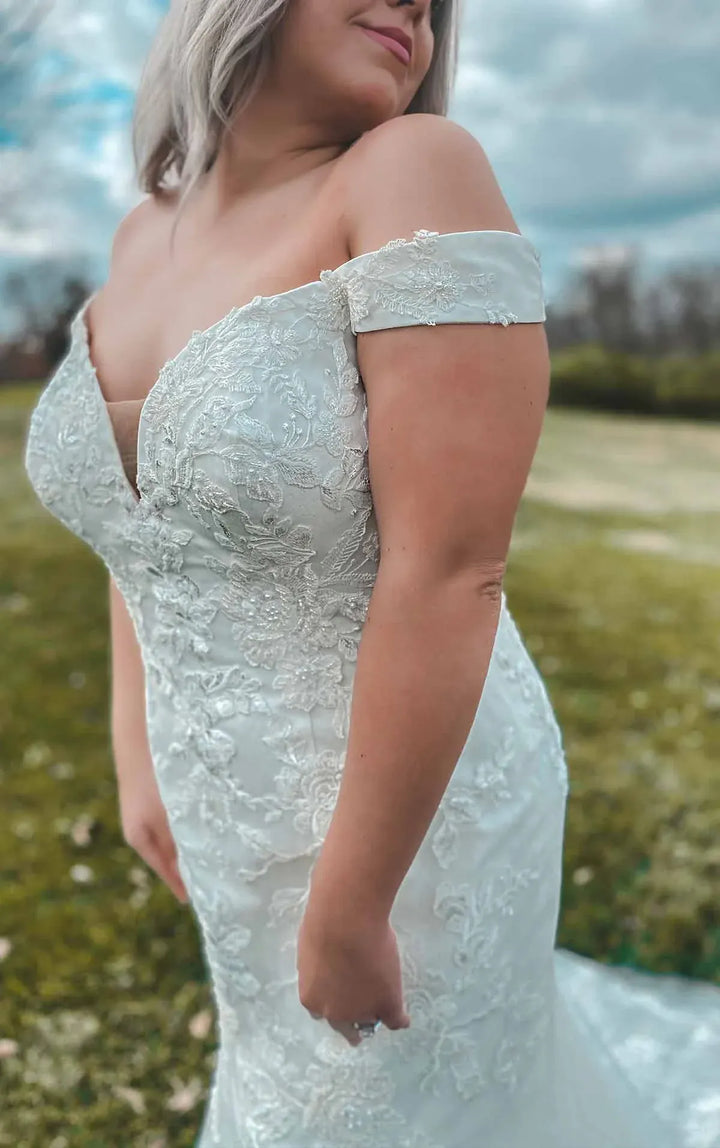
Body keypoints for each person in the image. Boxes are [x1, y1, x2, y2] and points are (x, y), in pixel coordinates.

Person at [23, 1, 720, 1145]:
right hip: (225, 814)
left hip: (415, 825)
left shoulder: (411, 171)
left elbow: (452, 570)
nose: (413, 8)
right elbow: (144, 526)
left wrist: (353, 900)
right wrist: (132, 749)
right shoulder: (139, 235)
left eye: (431, 6)